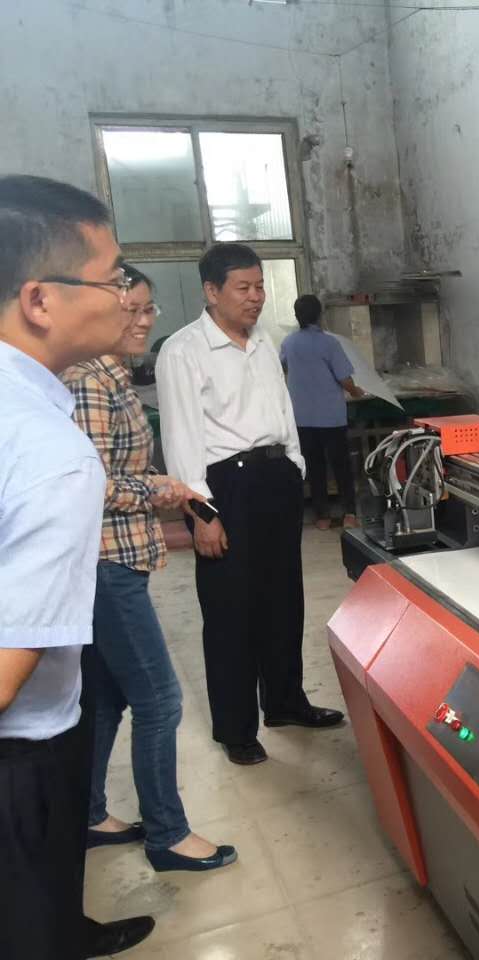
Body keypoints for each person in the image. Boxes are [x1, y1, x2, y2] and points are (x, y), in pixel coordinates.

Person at [0, 175, 154, 958]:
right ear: (39, 300)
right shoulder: (52, 454)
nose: (128, 299)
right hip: (21, 753)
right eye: (113, 278)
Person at [62, 265, 237, 873]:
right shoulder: (90, 381)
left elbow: (109, 469)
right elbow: (90, 483)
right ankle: (167, 834)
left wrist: (153, 484)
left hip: (117, 557)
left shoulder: (113, 376)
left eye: (147, 309)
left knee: (106, 695)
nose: (142, 322)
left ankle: (88, 814)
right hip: (107, 562)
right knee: (160, 699)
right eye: (128, 311)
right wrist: (161, 488)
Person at [156, 243, 344, 767]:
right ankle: (236, 728)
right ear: (211, 291)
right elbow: (181, 439)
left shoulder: (265, 341)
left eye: (259, 286)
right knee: (230, 612)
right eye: (243, 287)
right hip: (226, 487)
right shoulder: (184, 351)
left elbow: (283, 409)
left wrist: (296, 466)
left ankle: (285, 702)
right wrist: (202, 514)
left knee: (283, 599)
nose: (256, 297)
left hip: (275, 479)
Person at [279, 293, 366, 530]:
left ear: (297, 316)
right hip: (331, 418)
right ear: (319, 315)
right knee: (341, 466)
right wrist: (356, 391)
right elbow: (344, 378)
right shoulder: (329, 343)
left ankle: (322, 517)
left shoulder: (289, 343)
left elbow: (281, 367)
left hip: (303, 417)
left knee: (314, 467)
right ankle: (349, 514)